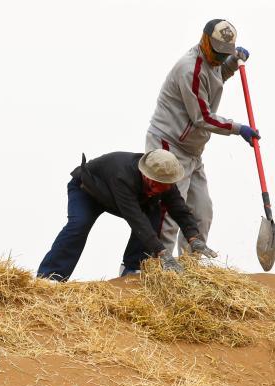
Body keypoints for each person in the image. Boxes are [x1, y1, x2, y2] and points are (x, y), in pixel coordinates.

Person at [126, 18, 258, 276]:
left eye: (225, 53)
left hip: (193, 150)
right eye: (218, 53)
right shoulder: (190, 69)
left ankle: (189, 269)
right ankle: (159, 271)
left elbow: (215, 76)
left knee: (202, 210)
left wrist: (230, 65)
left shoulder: (213, 62)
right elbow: (202, 117)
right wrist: (237, 128)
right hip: (170, 143)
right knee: (169, 212)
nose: (220, 58)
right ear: (205, 41)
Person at [37, 149, 217, 281]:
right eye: (155, 186)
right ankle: (50, 276)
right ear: (146, 176)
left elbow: (180, 209)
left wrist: (194, 237)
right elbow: (135, 219)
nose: (159, 190)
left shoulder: (166, 182)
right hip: (88, 191)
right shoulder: (123, 176)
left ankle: (132, 269)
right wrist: (162, 252)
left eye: (164, 187)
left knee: (153, 213)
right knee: (79, 224)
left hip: (120, 199)